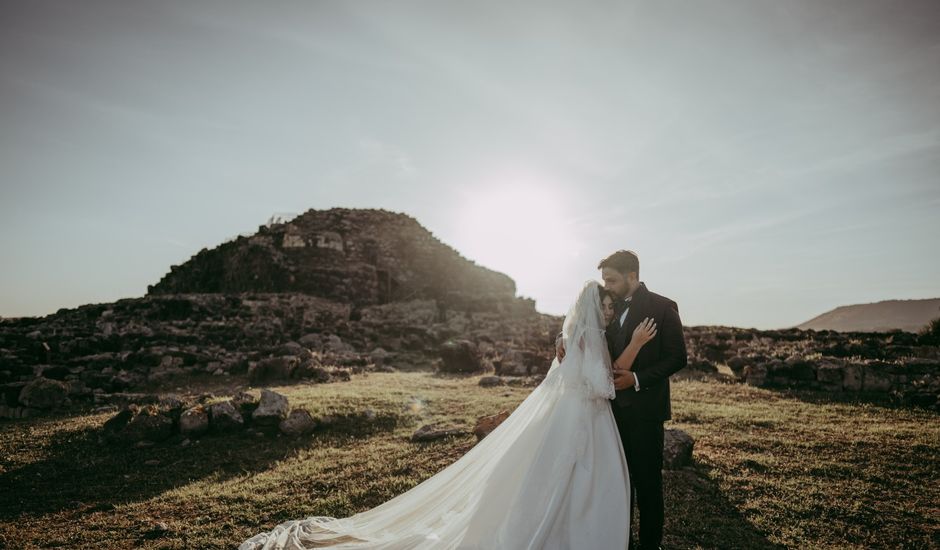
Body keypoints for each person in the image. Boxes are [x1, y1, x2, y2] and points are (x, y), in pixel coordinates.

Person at [239, 280, 657, 550]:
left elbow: (578, 373)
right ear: (593, 307)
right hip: (588, 417)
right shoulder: (589, 335)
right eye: (604, 305)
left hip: (575, 417)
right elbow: (603, 385)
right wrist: (636, 346)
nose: (607, 311)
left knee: (554, 476)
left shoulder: (573, 335)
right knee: (572, 480)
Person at [556, 250, 688, 550]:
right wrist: (561, 339)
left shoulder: (663, 307)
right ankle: (620, 541)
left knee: (648, 486)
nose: (608, 286)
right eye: (605, 280)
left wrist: (637, 379)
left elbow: (677, 357)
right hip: (609, 414)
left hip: (644, 413)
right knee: (617, 484)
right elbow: (587, 327)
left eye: (612, 280)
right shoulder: (609, 305)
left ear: (632, 276)